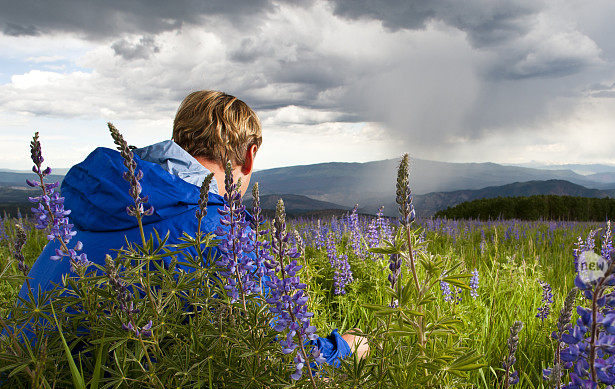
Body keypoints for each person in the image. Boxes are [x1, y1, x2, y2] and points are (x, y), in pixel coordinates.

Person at [20, 89, 368, 363]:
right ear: (250, 155)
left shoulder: (83, 206)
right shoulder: (217, 231)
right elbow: (284, 350)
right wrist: (346, 348)